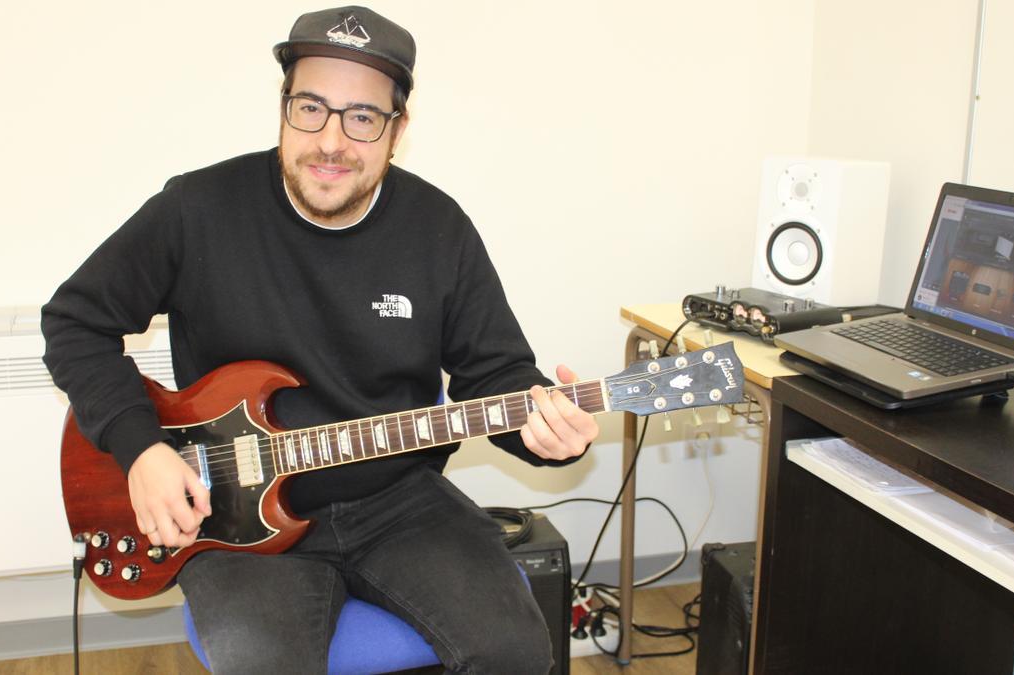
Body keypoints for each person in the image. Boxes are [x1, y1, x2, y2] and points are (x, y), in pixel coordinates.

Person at [42, 6, 599, 674]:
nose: (332, 140)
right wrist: (142, 450)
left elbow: (496, 373)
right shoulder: (198, 210)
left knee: (515, 648)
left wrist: (543, 430)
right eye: (311, 108)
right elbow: (75, 321)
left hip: (400, 502)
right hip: (231, 511)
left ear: (397, 130)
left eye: (362, 117)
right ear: (282, 107)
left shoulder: (438, 228)